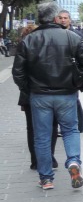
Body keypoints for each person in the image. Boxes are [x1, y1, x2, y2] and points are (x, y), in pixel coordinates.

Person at [12, 2, 83, 190]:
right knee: (70, 130)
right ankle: (73, 161)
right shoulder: (72, 37)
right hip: (66, 93)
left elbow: (18, 72)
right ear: (56, 18)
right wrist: (77, 84)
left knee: (42, 136)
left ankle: (46, 178)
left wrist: (29, 89)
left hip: (39, 94)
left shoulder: (29, 40)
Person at [16, 24, 59, 170]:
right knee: (51, 126)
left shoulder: (23, 46)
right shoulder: (45, 47)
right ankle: (49, 157)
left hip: (29, 92)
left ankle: (35, 160)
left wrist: (25, 88)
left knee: (32, 128)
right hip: (47, 92)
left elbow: (18, 72)